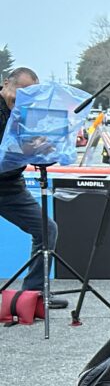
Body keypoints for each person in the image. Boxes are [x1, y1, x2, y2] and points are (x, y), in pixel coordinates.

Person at [0, 67, 67, 309]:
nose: (21, 101)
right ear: (6, 83)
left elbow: (40, 158)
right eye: (19, 94)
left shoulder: (29, 114)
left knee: (47, 230)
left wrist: (49, 148)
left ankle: (32, 295)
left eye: (30, 97)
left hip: (10, 187)